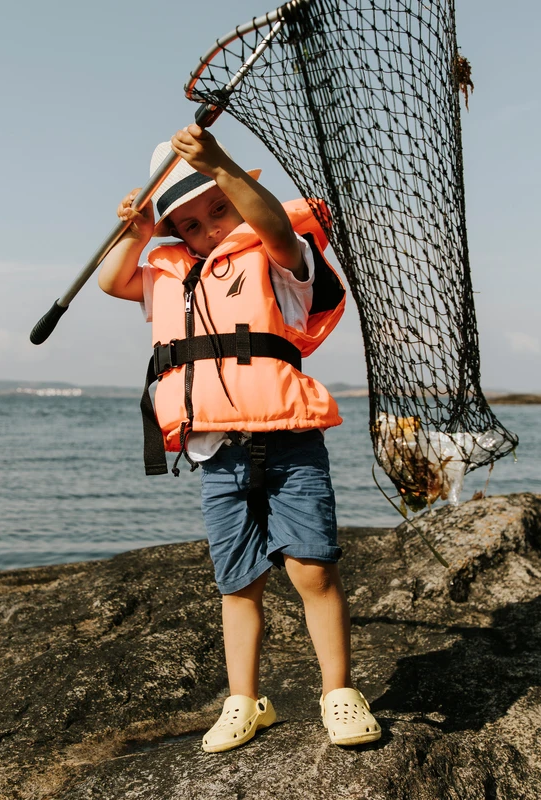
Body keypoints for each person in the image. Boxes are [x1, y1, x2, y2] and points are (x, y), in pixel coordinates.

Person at [97, 124, 381, 752]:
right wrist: (135, 234)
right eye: (191, 225)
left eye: (219, 209)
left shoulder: (276, 254)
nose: (210, 229)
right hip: (217, 456)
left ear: (240, 193)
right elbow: (112, 281)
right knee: (238, 583)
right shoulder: (169, 271)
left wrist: (219, 164)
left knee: (312, 570)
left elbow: (277, 228)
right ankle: (244, 700)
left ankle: (338, 692)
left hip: (290, 442)